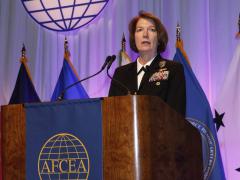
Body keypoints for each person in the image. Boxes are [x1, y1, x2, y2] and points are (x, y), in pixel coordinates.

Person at [108, 11, 186, 116]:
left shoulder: (173, 70)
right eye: (139, 30)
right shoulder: (120, 74)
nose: (145, 34)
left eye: (151, 30)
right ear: (134, 38)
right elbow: (111, 115)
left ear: (159, 38)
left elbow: (176, 116)